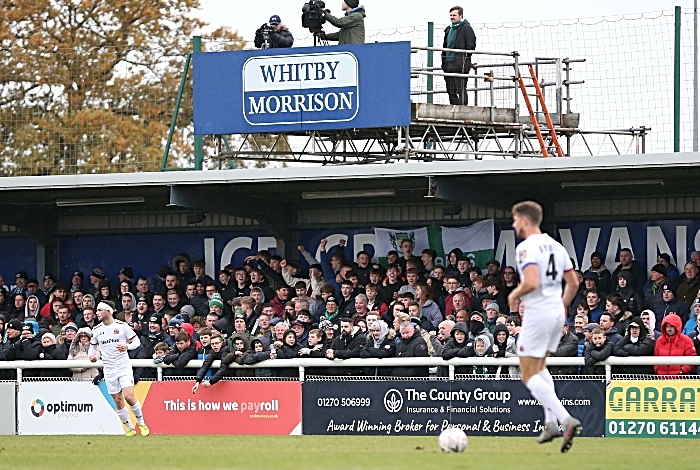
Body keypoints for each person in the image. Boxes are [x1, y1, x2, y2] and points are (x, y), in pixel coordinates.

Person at [507, 200, 581, 452]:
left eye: (516, 219)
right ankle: (550, 423)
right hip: (556, 312)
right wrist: (561, 305)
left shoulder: (526, 247)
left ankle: (565, 419)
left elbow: (532, 281)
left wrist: (514, 294)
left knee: (528, 373)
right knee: (540, 367)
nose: (514, 223)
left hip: (538, 312)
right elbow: (572, 282)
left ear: (525, 220)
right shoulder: (557, 246)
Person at [89, 301, 150, 436]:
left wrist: (127, 346)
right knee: (118, 400)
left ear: (108, 311)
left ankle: (141, 423)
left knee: (129, 397)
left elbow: (136, 342)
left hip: (123, 366)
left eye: (99, 310)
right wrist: (92, 356)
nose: (97, 313)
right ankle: (129, 428)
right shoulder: (96, 330)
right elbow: (92, 348)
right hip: (109, 369)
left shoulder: (122, 326)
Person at [441, 6, 476, 106]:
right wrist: (444, 63)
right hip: (448, 64)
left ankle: (463, 111)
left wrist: (465, 59)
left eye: (454, 15)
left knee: (461, 89)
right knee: (450, 90)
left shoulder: (466, 28)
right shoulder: (448, 30)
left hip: (461, 64)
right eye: (451, 15)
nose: (452, 17)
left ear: (460, 16)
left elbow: (471, 45)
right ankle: (454, 109)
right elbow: (445, 46)